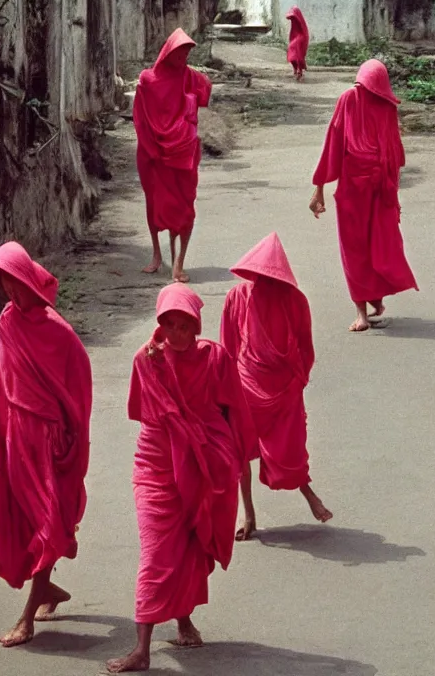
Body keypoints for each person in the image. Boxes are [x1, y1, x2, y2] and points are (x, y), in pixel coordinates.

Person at [0, 241, 92, 647]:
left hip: (46, 445)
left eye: (15, 283)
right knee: (14, 521)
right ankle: (44, 590)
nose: (10, 293)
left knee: (46, 520)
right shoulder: (8, 322)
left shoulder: (59, 333)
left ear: (30, 281)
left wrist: (70, 440)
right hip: (12, 441)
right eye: (4, 285)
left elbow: (79, 389)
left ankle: (27, 618)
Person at [106, 284, 245, 673]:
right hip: (157, 466)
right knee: (156, 552)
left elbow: (232, 409)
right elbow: (142, 412)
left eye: (185, 325)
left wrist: (226, 459)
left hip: (204, 465)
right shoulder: (145, 360)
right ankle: (142, 648)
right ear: (160, 325)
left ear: (197, 326)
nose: (177, 334)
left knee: (191, 545)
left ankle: (183, 619)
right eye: (169, 325)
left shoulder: (215, 357)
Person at [221, 233, 333, 540]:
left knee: (291, 451)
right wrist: (226, 392)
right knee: (240, 452)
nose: (264, 282)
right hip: (245, 388)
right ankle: (249, 513)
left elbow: (306, 348)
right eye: (260, 276)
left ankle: (308, 493)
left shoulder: (296, 301)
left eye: (270, 277)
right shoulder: (238, 297)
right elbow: (228, 348)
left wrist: (299, 380)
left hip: (284, 390)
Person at [310, 59, 418, 332]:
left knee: (382, 247)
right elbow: (333, 142)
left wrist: (393, 193)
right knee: (354, 251)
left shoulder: (387, 108)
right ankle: (362, 312)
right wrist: (319, 188)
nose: (366, 92)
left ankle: (376, 299)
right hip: (352, 192)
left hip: (380, 190)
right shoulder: (349, 100)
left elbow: (394, 152)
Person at [133, 28, 212, 283]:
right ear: (168, 52)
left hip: (183, 153)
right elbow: (140, 117)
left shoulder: (189, 77)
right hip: (153, 153)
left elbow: (206, 89)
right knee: (155, 204)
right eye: (180, 52)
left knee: (185, 207)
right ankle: (157, 254)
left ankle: (179, 263)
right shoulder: (148, 79)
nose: (184, 58)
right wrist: (151, 146)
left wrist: (190, 104)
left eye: (187, 53)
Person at [286, 6, 310, 82]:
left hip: (301, 38)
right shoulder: (294, 20)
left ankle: (299, 71)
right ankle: (296, 69)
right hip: (296, 37)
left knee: (298, 56)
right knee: (292, 54)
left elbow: (303, 31)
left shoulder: (300, 21)